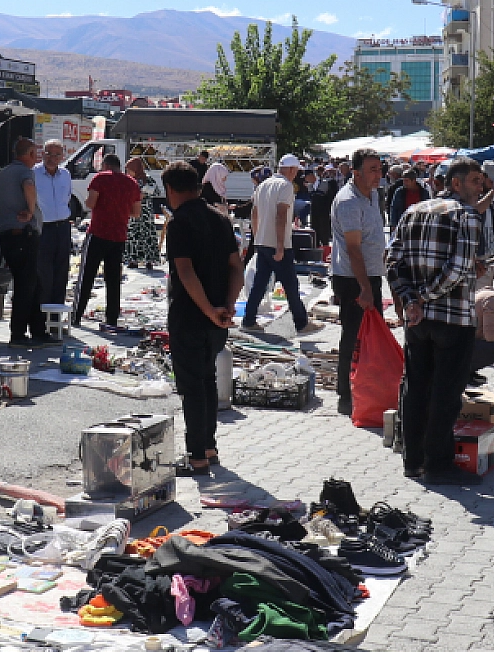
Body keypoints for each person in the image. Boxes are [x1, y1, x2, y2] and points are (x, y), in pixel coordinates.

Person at [387, 157, 489, 484]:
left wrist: (409, 298)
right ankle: (438, 464)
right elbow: (458, 269)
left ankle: (412, 460)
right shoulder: (468, 216)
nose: (481, 187)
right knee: (445, 393)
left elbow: (393, 261)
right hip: (453, 318)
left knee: (415, 388)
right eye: (475, 180)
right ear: (455, 183)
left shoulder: (412, 212)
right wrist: (423, 297)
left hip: (419, 321)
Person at [162, 163, 243, 477]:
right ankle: (209, 447)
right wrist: (226, 306)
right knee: (208, 380)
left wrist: (210, 309)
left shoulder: (180, 223)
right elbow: (236, 268)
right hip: (216, 319)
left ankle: (197, 456)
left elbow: (184, 271)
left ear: (171, 190)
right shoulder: (220, 219)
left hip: (190, 315)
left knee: (193, 386)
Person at [330, 150, 387, 415]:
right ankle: (345, 395)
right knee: (353, 336)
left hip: (370, 275)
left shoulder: (373, 194)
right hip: (353, 279)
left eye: (379, 168)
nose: (378, 173)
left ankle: (366, 387)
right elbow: (353, 249)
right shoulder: (349, 202)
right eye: (373, 169)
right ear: (356, 172)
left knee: (370, 336)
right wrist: (364, 288)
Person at [242, 154, 316, 332]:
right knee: (290, 284)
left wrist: (258, 236)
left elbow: (254, 212)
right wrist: (281, 245)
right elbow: (281, 215)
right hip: (277, 244)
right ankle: (301, 322)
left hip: (263, 242)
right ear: (291, 169)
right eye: (296, 171)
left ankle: (249, 320)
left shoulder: (263, 185)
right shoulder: (285, 186)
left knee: (260, 283)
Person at [73, 153, 142, 329]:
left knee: (86, 276)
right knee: (113, 280)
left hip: (97, 233)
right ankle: (111, 319)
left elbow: (90, 203)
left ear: (105, 165)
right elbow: (136, 213)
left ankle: (77, 316)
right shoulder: (132, 184)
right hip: (118, 236)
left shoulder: (100, 178)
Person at [0, 137, 46, 346]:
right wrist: (31, 212)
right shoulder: (25, 172)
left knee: (34, 284)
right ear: (30, 154)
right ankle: (18, 334)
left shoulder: (4, 172)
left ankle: (39, 331)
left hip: (9, 234)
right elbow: (29, 186)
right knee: (25, 286)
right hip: (23, 235)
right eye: (36, 154)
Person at [33, 139, 74, 308]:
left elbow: (68, 198)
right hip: (44, 229)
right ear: (42, 154)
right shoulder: (33, 173)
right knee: (44, 273)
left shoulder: (65, 174)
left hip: (63, 227)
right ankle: (42, 317)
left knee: (62, 272)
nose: (52, 158)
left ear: (62, 156)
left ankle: (56, 314)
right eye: (49, 154)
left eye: (57, 155)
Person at [123, 157, 164, 268]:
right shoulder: (128, 180)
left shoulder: (148, 179)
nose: (128, 172)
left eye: (130, 170)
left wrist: (145, 192)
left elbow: (156, 191)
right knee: (133, 236)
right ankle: (133, 260)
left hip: (146, 212)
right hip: (133, 212)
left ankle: (149, 260)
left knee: (147, 235)